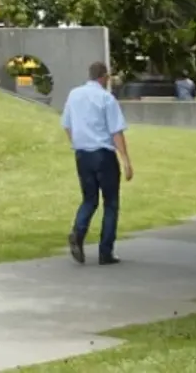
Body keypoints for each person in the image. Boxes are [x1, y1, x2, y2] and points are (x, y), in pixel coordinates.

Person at [62, 61, 133, 266]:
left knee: (89, 199)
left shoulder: (74, 95)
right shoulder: (106, 98)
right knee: (110, 203)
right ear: (104, 77)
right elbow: (116, 131)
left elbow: (67, 124)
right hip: (103, 153)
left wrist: (76, 143)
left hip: (83, 154)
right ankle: (105, 251)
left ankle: (78, 231)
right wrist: (126, 160)